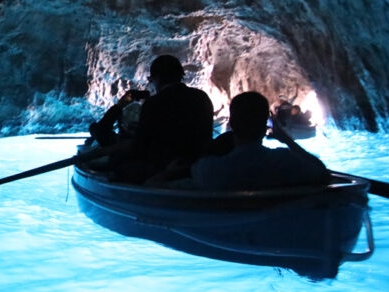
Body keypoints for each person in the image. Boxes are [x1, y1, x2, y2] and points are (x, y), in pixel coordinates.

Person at [190, 91, 329, 190]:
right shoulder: (284, 161)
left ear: (231, 123)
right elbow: (322, 173)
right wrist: (287, 140)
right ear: (265, 126)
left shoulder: (210, 170)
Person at [128, 55, 215, 181]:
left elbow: (141, 146)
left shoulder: (153, 103)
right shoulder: (202, 97)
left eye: (151, 79)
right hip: (198, 167)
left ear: (157, 77)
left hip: (162, 169)